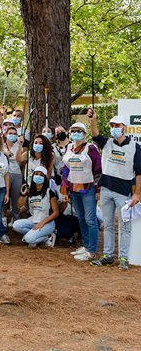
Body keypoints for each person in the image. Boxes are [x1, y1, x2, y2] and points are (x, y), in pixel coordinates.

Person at [88, 110, 141, 269]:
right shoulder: (107, 142)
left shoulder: (135, 147)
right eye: (112, 125)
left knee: (124, 227)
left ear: (124, 127)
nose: (114, 128)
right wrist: (92, 120)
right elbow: (96, 136)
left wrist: (137, 193)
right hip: (105, 189)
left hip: (123, 192)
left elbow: (139, 172)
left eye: (117, 125)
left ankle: (123, 258)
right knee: (109, 225)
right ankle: (108, 256)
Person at [61, 121, 101, 262]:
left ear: (84, 133)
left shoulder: (91, 148)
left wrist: (97, 189)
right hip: (74, 188)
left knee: (91, 220)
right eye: (73, 131)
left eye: (79, 131)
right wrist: (64, 190)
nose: (76, 133)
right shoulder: (69, 148)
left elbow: (97, 170)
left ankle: (92, 251)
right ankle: (85, 245)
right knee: (82, 218)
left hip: (88, 188)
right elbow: (66, 170)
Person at [12, 166, 59, 247]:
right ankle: (36, 235)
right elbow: (19, 205)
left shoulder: (49, 192)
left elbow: (56, 213)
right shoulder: (30, 191)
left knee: (29, 239)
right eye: (36, 174)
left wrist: (41, 223)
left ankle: (48, 237)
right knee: (16, 225)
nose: (38, 176)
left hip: (47, 222)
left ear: (45, 178)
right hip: (33, 220)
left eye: (41, 175)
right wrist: (22, 194)